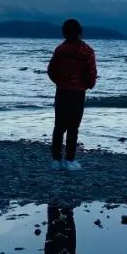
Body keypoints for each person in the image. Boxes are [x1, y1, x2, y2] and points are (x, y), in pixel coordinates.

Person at [46, 18, 97, 171]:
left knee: (59, 126)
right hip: (78, 92)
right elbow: (91, 72)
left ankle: (56, 161)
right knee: (73, 127)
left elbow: (51, 70)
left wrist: (59, 82)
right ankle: (69, 160)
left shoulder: (60, 49)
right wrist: (88, 85)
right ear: (80, 32)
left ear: (64, 32)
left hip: (62, 91)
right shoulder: (86, 50)